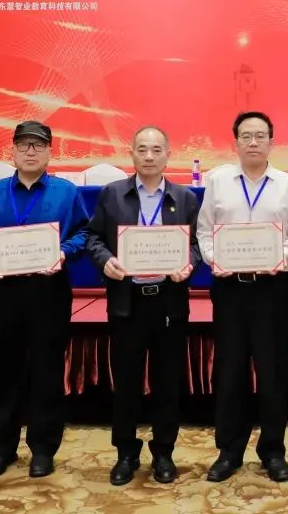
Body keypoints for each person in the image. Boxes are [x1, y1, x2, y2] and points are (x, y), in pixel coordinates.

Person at [0, 120, 89, 479]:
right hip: (3, 292)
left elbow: (84, 233)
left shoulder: (66, 193)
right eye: (24, 144)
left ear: (50, 151)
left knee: (47, 372)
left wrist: (64, 252)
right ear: (13, 150)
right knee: (5, 371)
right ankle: (2, 449)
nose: (30, 151)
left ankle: (43, 449)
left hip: (48, 291)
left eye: (38, 145)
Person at [197, 111, 288, 483]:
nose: (253, 142)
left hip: (271, 289)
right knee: (229, 370)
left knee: (272, 370)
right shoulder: (218, 181)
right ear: (236, 142)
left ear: (271, 142)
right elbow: (204, 231)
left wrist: (282, 256)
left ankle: (273, 452)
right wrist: (215, 259)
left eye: (260, 135)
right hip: (230, 288)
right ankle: (229, 452)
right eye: (246, 135)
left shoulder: (286, 184)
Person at [85, 126, 200, 485]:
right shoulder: (112, 194)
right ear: (132, 154)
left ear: (168, 155)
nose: (149, 156)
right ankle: (126, 452)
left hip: (168, 302)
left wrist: (189, 264)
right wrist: (105, 260)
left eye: (156, 150)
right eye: (142, 149)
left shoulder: (185, 198)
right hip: (127, 302)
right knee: (127, 382)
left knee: (168, 382)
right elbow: (93, 237)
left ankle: (163, 452)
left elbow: (197, 245)